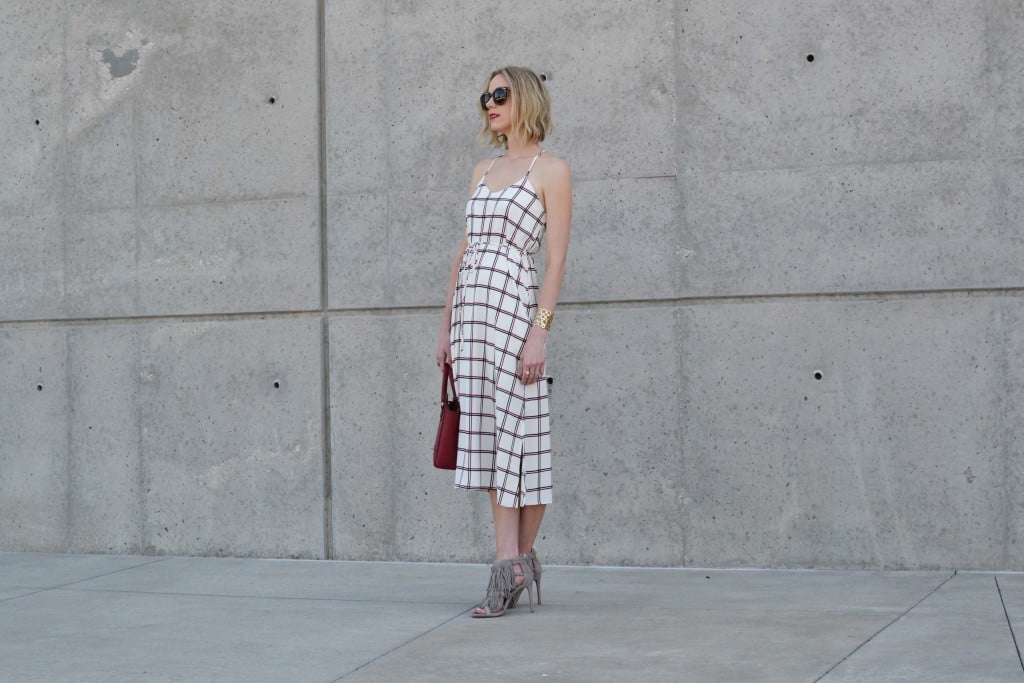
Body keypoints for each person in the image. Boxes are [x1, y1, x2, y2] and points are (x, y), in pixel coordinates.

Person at [435, 66, 572, 618]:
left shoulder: (552, 170)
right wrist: (446, 324)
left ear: (525, 99)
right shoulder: (482, 170)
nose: (489, 104)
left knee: (525, 445)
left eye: (499, 94)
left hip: (515, 316)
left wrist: (540, 332)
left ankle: (516, 563)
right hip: (472, 320)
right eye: (485, 96)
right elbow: (462, 254)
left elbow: (556, 260)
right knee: (494, 444)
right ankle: (508, 565)